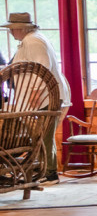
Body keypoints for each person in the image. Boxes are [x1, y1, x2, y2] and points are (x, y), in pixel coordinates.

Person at [5, 11, 71, 182]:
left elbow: (42, 66)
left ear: (20, 28)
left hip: (45, 95)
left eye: (12, 29)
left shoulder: (33, 41)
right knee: (42, 135)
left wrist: (35, 91)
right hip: (44, 95)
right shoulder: (31, 39)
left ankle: (49, 173)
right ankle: (45, 170)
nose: (10, 32)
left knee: (44, 135)